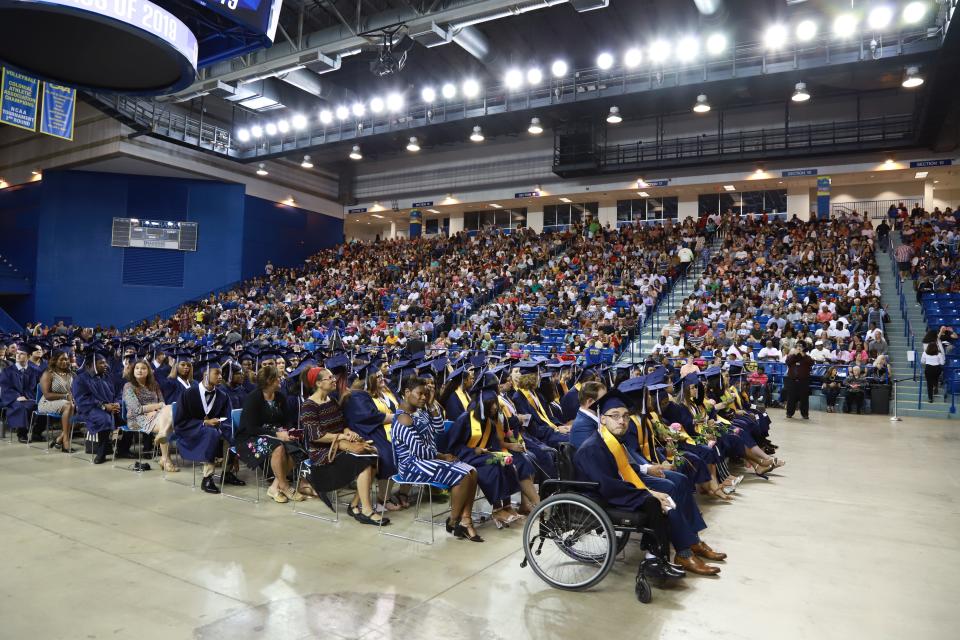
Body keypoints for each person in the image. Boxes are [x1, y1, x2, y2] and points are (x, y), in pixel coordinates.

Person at [574, 390, 722, 578]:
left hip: (621, 483)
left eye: (625, 416)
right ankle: (684, 552)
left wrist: (648, 475)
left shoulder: (611, 440)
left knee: (677, 482)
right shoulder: (593, 448)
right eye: (615, 416)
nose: (622, 421)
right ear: (602, 419)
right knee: (667, 494)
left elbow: (624, 468)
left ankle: (691, 541)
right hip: (605, 494)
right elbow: (610, 486)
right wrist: (649, 493)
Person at [391, 376, 483, 542]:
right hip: (412, 465)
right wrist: (442, 456)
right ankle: (453, 522)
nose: (423, 397)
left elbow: (439, 429)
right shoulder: (402, 418)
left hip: (428, 460)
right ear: (406, 392)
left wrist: (432, 404)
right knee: (462, 476)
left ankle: (465, 519)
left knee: (472, 471)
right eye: (420, 394)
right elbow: (419, 451)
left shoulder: (421, 412)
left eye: (426, 394)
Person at [299, 366, 384, 525]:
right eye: (330, 378)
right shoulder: (309, 406)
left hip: (338, 445)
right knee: (364, 463)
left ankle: (354, 505)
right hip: (322, 454)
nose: (334, 380)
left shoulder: (331, 400)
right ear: (318, 383)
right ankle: (366, 510)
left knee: (373, 460)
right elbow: (315, 435)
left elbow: (342, 423)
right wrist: (341, 437)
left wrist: (348, 432)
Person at [237, 365, 306, 503]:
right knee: (278, 447)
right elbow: (250, 428)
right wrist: (275, 433)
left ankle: (275, 487)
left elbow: (287, 420)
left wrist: (289, 430)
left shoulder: (280, 397)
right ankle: (285, 486)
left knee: (296, 448)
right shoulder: (253, 398)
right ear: (269, 380)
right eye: (277, 378)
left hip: (275, 435)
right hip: (251, 438)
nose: (280, 379)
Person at [173, 363, 233, 494]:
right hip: (190, 432)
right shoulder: (188, 394)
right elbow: (179, 422)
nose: (220, 376)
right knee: (210, 433)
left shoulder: (222, 396)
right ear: (206, 374)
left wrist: (221, 424)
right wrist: (204, 423)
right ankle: (207, 478)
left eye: (221, 373)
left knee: (231, 432)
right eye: (216, 373)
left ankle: (227, 472)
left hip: (214, 430)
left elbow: (227, 418)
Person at [122, 361, 177, 471]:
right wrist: (156, 407)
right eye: (137, 368)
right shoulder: (128, 386)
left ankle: (165, 458)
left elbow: (163, 403)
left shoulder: (154, 384)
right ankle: (166, 459)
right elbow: (137, 409)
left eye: (143, 368)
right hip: (137, 419)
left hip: (156, 416)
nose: (140, 370)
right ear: (133, 371)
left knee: (170, 408)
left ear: (148, 371)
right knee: (167, 425)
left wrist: (157, 410)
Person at [71, 349, 120, 464]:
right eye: (101, 363)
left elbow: (119, 392)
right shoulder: (80, 379)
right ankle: (102, 452)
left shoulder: (108, 376)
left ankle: (123, 448)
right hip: (90, 410)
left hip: (112, 407)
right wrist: (103, 406)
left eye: (105, 362)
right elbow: (82, 399)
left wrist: (117, 403)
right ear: (90, 365)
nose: (105, 365)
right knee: (105, 419)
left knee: (129, 415)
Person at [0, 343, 41, 443]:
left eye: (22, 354)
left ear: (28, 356)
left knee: (41, 406)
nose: (18, 355)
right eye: (17, 353)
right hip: (12, 399)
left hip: (29, 399)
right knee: (22, 407)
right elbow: (5, 387)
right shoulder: (7, 371)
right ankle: (21, 434)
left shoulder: (35, 371)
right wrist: (17, 397)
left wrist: (29, 397)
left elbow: (36, 388)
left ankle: (37, 433)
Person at [37, 349, 75, 451]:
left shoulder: (70, 374)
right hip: (47, 403)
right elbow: (47, 395)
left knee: (80, 409)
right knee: (69, 405)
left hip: (68, 403)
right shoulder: (48, 373)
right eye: (61, 359)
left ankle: (59, 439)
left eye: (66, 359)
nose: (65, 362)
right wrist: (65, 396)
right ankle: (66, 441)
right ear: (54, 360)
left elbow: (73, 391)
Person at [569, 380, 606, 449]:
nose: (606, 402)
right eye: (603, 399)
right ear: (590, 401)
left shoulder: (590, 418)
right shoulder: (582, 428)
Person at [784, 345, 814, 419]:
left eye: (801, 349)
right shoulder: (791, 357)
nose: (799, 350)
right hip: (792, 381)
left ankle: (805, 414)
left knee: (804, 398)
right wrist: (794, 354)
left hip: (803, 381)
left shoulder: (806, 357)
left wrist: (804, 355)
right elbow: (787, 362)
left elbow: (811, 363)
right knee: (791, 398)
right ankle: (789, 413)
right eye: (797, 349)